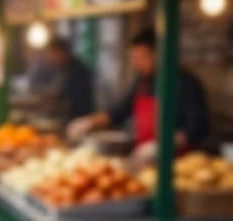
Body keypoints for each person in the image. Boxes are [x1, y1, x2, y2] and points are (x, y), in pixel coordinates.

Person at [66, 28, 209, 157]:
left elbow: (197, 127)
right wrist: (88, 122)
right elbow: (118, 111)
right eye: (134, 58)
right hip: (144, 157)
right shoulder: (142, 82)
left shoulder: (186, 84)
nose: (136, 63)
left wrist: (163, 146)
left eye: (141, 57)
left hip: (177, 161)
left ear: (159, 54)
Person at [46, 37, 95, 121]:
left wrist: (53, 105)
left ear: (63, 52)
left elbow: (75, 104)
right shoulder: (63, 69)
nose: (52, 59)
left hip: (80, 121)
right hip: (69, 119)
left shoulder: (78, 72)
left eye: (54, 55)